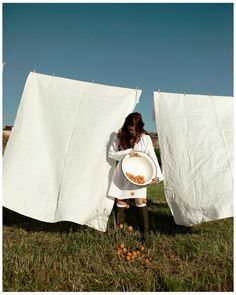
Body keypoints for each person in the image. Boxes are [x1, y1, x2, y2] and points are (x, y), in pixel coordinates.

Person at [108, 112, 164, 242]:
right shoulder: (119, 136)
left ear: (139, 127)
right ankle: (119, 235)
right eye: (130, 128)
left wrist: (158, 175)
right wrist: (127, 152)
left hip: (139, 174)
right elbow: (111, 154)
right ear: (126, 125)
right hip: (122, 173)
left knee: (140, 201)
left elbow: (152, 157)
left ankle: (145, 237)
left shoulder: (145, 139)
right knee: (121, 201)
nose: (132, 132)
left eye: (134, 129)